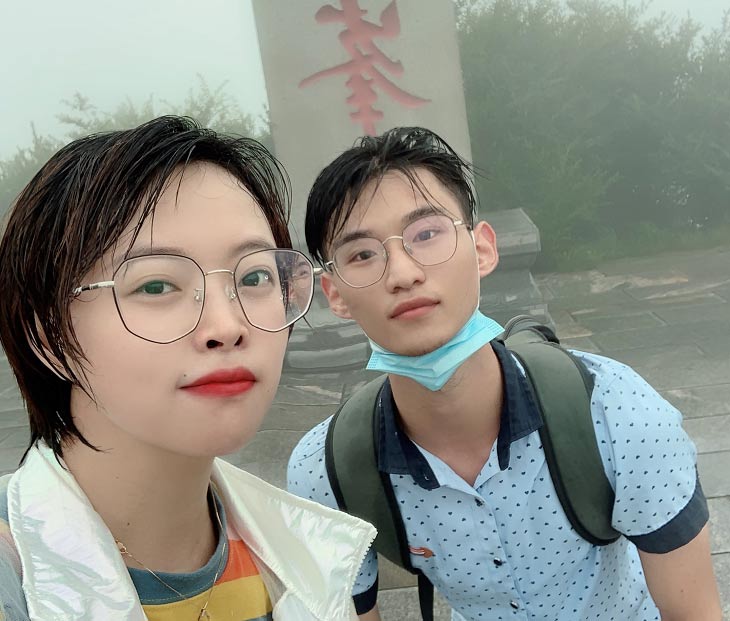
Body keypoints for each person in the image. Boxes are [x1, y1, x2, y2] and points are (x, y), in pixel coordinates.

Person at [287, 126, 721, 620]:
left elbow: (694, 612)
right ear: (335, 294)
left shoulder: (618, 414)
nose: (403, 273)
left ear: (483, 250)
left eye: (426, 234)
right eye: (363, 254)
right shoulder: (325, 472)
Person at [0, 116, 375, 621]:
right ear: (46, 336)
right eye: (156, 285)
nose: (227, 326)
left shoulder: (312, 556)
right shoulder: (15, 576)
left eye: (255, 277)